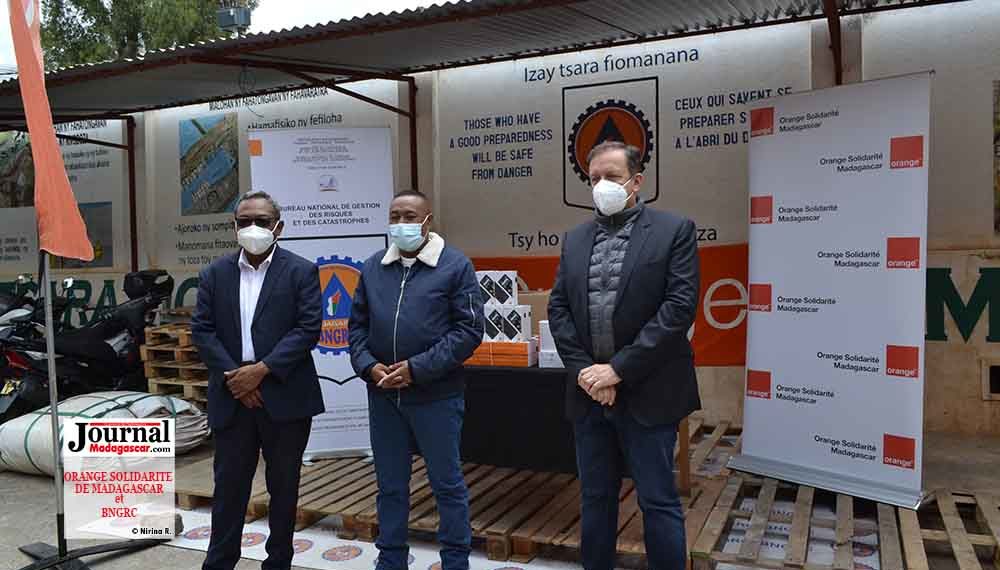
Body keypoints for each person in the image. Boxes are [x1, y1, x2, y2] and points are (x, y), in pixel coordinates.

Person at [548, 141, 701, 570]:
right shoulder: (575, 239)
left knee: (657, 501)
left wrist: (618, 370)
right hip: (590, 396)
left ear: (636, 181)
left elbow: (678, 309)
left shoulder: (674, 230)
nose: (602, 185)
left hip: (648, 393)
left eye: (612, 177)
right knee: (595, 498)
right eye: (594, 178)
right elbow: (559, 309)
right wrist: (587, 374)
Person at [348, 190, 484, 570]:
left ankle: (455, 561)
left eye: (410, 216)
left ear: (427, 221)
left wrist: (416, 369)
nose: (401, 223)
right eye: (395, 216)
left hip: (436, 396)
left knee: (446, 485)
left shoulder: (455, 266)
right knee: (390, 486)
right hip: (384, 397)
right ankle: (391, 560)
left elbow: (469, 331)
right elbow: (356, 328)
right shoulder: (373, 268)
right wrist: (369, 367)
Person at [192, 191, 324, 570]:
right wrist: (237, 378)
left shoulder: (301, 271)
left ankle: (278, 562)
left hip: (285, 396)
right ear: (233, 226)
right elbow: (203, 331)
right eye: (245, 221)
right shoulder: (214, 273)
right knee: (229, 489)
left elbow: (307, 329)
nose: (253, 227)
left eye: (262, 221)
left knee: (284, 490)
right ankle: (219, 563)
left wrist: (260, 373)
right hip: (232, 396)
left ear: (278, 227)